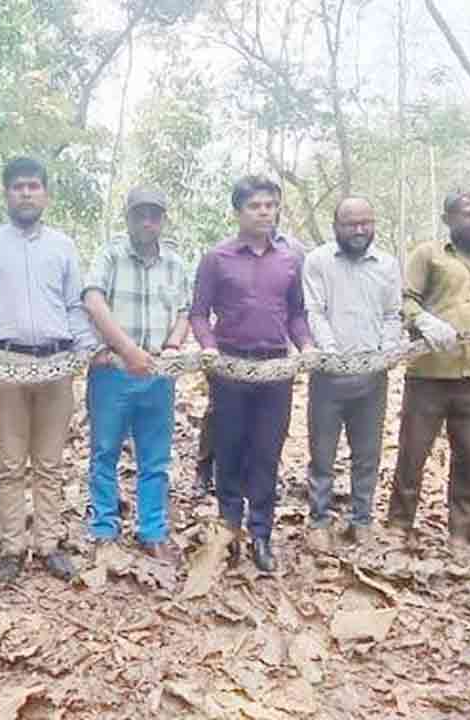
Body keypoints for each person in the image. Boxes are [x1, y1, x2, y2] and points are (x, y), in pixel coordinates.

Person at [0, 157, 98, 583]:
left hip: (57, 364)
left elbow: (74, 306)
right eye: (18, 187)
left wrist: (90, 348)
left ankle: (47, 544)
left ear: (45, 193)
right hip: (6, 364)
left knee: (48, 462)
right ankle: (12, 550)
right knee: (9, 462)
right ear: (6, 194)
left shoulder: (63, 246)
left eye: (33, 186)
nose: (26, 193)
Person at [384, 188, 470, 557]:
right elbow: (406, 299)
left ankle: (461, 531)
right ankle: (399, 525)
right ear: (449, 219)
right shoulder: (428, 255)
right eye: (468, 214)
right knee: (413, 451)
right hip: (430, 371)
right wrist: (424, 320)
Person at [189, 175, 311, 572]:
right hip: (229, 367)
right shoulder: (216, 258)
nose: (264, 212)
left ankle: (261, 533)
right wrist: (208, 346)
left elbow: (296, 313)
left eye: (270, 205)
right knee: (230, 449)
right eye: (255, 206)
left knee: (265, 452)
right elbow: (198, 313)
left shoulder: (291, 259)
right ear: (238, 211)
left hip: (276, 368)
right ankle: (229, 529)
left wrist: (306, 345)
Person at [82, 187, 191, 563]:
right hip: (113, 372)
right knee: (104, 452)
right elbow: (93, 301)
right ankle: (104, 530)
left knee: (155, 458)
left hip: (158, 376)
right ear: (128, 217)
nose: (148, 221)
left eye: (155, 215)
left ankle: (152, 531)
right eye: (141, 214)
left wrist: (174, 345)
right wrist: (128, 351)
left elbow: (184, 311)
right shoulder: (110, 255)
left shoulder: (175, 264)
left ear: (163, 219)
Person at [302, 197, 403, 552]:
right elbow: (313, 310)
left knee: (367, 453)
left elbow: (393, 314)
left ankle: (361, 520)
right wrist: (331, 355)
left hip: (373, 378)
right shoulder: (317, 261)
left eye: (366, 222)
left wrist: (385, 353)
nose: (359, 230)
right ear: (336, 226)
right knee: (322, 453)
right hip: (328, 377)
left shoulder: (388, 265)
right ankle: (319, 520)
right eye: (350, 224)